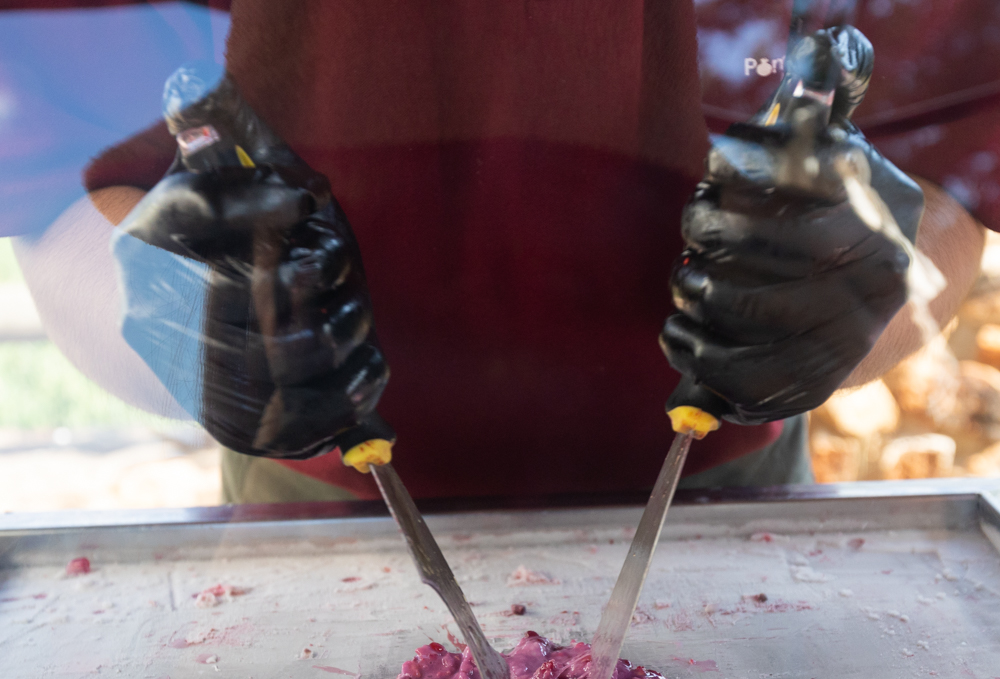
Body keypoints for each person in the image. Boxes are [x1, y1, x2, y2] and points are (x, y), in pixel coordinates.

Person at [5, 2, 995, 504]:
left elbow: (949, 173)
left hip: (722, 486)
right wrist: (184, 317)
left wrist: (857, 289)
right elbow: (59, 198)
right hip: (312, 491)